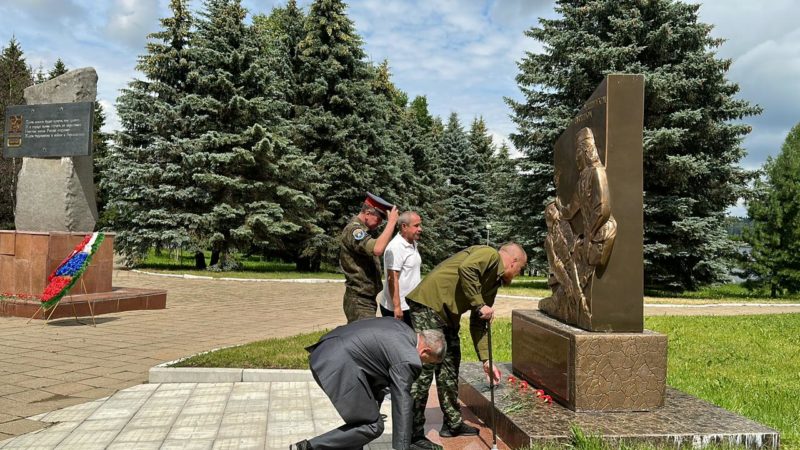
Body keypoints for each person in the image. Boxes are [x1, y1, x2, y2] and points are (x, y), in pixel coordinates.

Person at [405, 243, 528, 449]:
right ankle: (412, 435)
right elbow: (467, 269)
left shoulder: (494, 282)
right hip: (429, 306)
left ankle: (452, 423)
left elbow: (479, 321)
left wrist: (486, 360)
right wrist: (480, 304)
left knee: (450, 366)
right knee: (425, 370)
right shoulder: (489, 254)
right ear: (514, 261)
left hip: (447, 317)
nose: (517, 274)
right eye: (520, 269)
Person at [291, 318, 446, 450]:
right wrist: (403, 447)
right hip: (336, 364)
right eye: (428, 362)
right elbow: (402, 401)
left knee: (366, 417)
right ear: (425, 351)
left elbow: (376, 366)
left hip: (327, 347)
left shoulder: (401, 327)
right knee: (372, 425)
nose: (424, 364)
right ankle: (307, 447)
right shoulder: (409, 359)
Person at [340, 192, 399, 323]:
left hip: (365, 299)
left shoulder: (363, 230)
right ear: (367, 213)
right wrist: (392, 222)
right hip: (358, 299)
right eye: (379, 218)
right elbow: (377, 249)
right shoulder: (354, 230)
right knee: (364, 334)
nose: (380, 222)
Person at [379, 211, 423, 327]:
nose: (420, 229)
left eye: (420, 225)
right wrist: (397, 307)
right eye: (416, 225)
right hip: (398, 309)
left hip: (410, 305)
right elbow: (392, 278)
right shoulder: (396, 247)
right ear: (404, 226)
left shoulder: (412, 244)